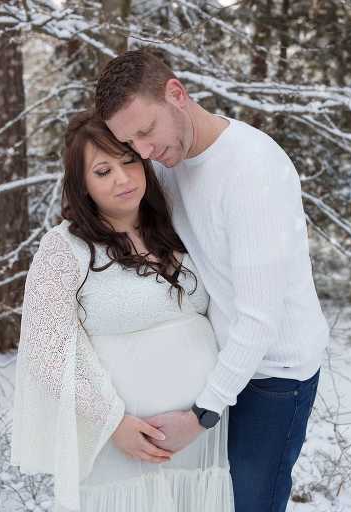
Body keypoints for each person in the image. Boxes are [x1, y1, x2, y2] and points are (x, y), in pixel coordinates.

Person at [95, 49, 330, 512]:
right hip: (219, 366)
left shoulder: (252, 170)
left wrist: (202, 414)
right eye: (130, 142)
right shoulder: (165, 164)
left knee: (249, 505)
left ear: (177, 94)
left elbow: (260, 320)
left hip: (274, 375)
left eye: (146, 132)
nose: (143, 153)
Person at [10, 111, 234, 512]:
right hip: (121, 446)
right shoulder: (64, 250)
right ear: (83, 186)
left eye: (129, 161)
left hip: (200, 442)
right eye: (103, 171)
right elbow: (47, 353)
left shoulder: (177, 230)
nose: (123, 178)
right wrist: (111, 422)